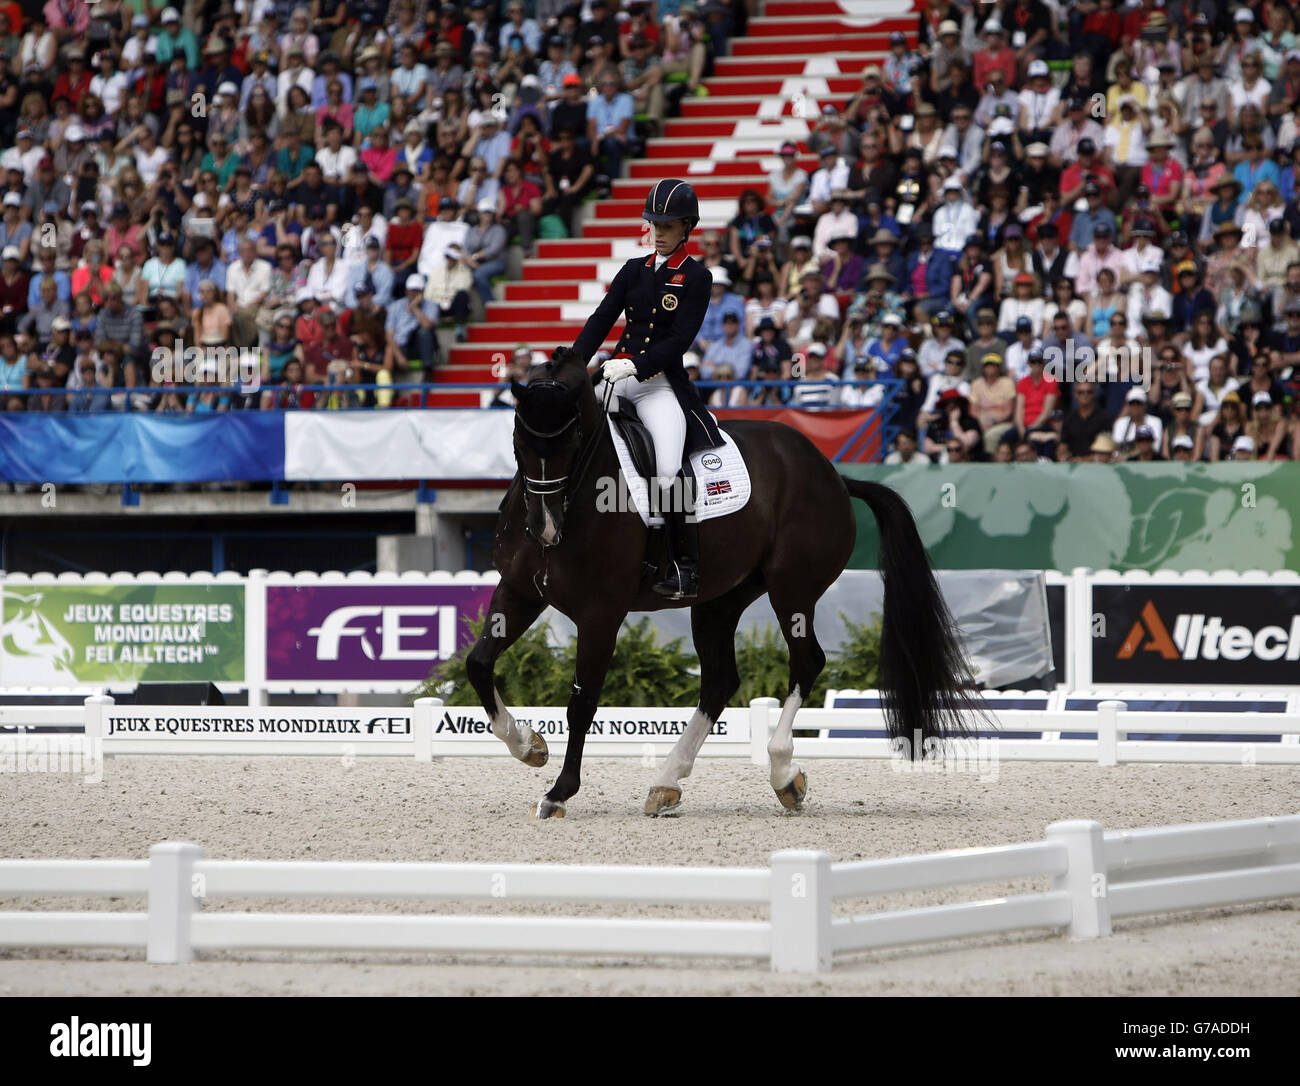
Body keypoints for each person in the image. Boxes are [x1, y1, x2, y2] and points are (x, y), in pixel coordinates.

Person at [572, 179, 724, 600]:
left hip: (658, 386)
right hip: (617, 379)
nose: (658, 232)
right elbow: (601, 320)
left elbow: (680, 340)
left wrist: (634, 365)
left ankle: (686, 567)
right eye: (654, 224)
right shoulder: (633, 270)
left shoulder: (696, 276)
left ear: (687, 227)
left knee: (668, 470)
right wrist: (575, 363)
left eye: (668, 225)